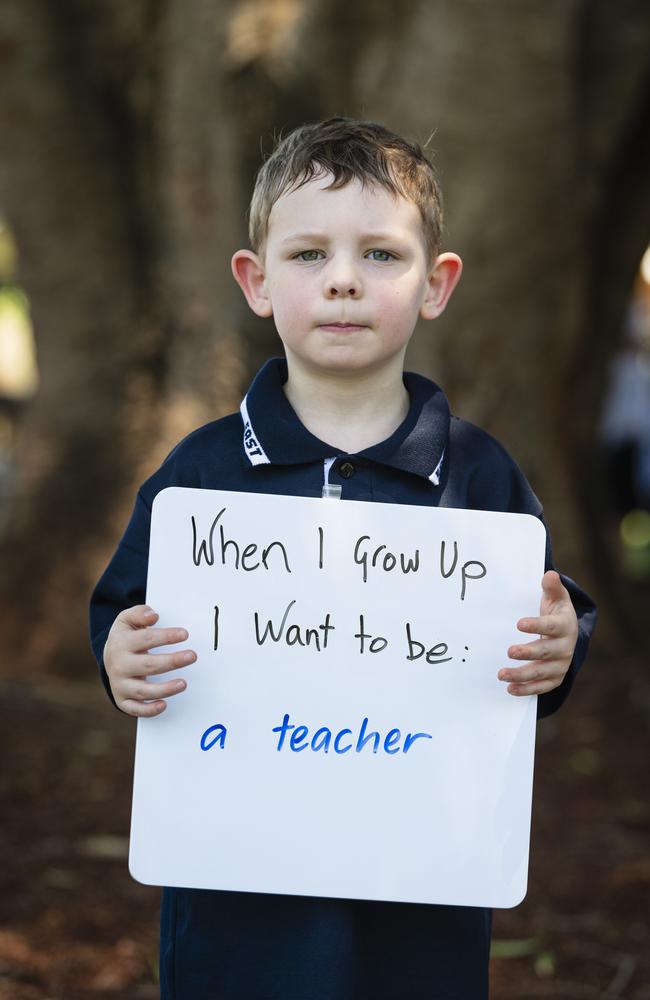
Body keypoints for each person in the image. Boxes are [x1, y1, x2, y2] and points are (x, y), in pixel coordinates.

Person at [89, 117, 597, 999]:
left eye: (382, 256)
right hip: (239, 880)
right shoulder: (201, 473)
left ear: (437, 285)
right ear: (255, 281)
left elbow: (545, 619)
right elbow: (125, 611)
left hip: (422, 876)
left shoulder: (479, 475)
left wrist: (560, 648)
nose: (344, 283)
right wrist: (119, 657)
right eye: (309, 255)